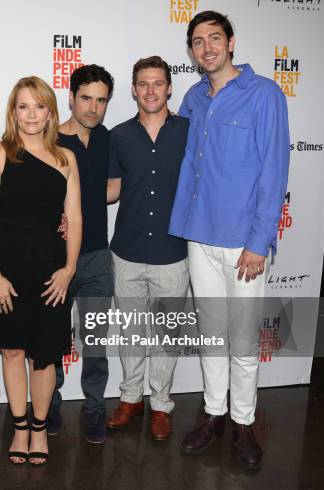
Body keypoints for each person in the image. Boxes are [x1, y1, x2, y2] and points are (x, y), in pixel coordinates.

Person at [169, 11, 290, 469]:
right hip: (199, 237)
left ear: (231, 42)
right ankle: (213, 415)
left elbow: (274, 172)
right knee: (212, 336)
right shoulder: (194, 98)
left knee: (241, 339)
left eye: (214, 38)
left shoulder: (264, 95)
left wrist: (260, 241)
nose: (207, 48)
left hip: (244, 244)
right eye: (197, 42)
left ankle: (243, 422)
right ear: (193, 51)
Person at [0, 76, 82, 465]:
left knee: (46, 355)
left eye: (39, 106)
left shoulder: (67, 159)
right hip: (9, 268)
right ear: (13, 112)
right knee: (13, 351)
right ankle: (19, 427)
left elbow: (76, 219)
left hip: (51, 270)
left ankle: (39, 427)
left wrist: (68, 269)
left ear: (50, 112)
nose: (31, 114)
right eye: (23, 106)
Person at [106, 56, 189, 441]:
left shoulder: (189, 131)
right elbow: (110, 190)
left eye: (158, 83)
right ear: (134, 90)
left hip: (174, 251)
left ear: (170, 87)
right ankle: (130, 398)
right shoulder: (119, 135)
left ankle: (160, 404)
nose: (151, 90)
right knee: (130, 332)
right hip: (127, 250)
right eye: (143, 84)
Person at [49, 64, 115, 444]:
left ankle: (94, 409)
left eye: (101, 100)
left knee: (95, 340)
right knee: (53, 338)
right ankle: (51, 403)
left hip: (96, 257)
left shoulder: (109, 139)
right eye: (86, 98)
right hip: (56, 259)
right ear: (70, 97)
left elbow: (112, 189)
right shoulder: (49, 138)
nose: (92, 107)